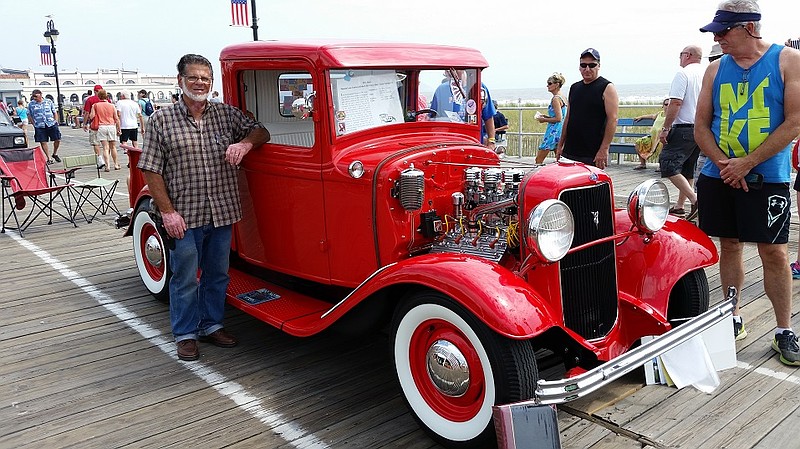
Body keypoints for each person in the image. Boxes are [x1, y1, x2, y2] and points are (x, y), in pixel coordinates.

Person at [138, 54, 270, 361]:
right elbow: (151, 170)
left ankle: (212, 325)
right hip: (183, 214)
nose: (200, 83)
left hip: (221, 210)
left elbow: (261, 130)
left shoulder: (226, 115)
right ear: (180, 80)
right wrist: (168, 213)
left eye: (206, 78)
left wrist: (245, 144)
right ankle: (185, 333)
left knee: (218, 273)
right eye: (194, 77)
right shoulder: (162, 120)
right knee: (185, 276)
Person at [695, 1, 800, 365]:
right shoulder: (714, 69)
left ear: (750, 28)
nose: (718, 38)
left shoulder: (787, 60)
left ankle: (783, 330)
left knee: (774, 252)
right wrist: (727, 166)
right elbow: (701, 126)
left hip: (767, 176)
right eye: (715, 33)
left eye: (724, 31)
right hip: (720, 174)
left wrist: (749, 163)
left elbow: (795, 121)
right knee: (731, 245)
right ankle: (731, 316)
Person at [657, 45, 704, 220]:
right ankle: (680, 205)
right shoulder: (707, 73)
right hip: (700, 127)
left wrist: (666, 128)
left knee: (667, 164)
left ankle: (695, 199)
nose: (680, 59)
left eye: (681, 55)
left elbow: (676, 102)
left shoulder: (683, 74)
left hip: (683, 127)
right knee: (688, 167)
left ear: (688, 55)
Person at [556, 48, 619, 169]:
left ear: (598, 66)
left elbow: (613, 119)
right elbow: (568, 118)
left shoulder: (607, 87)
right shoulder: (574, 87)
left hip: (592, 153)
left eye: (592, 65)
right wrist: (560, 145)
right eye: (583, 65)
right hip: (570, 151)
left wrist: (604, 148)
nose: (587, 69)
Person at [429, 70, 499, 154]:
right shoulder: (441, 90)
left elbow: (488, 116)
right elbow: (433, 117)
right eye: (449, 69)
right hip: (447, 142)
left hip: (473, 141)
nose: (452, 72)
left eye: (456, 68)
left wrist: (491, 141)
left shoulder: (479, 87)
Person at [535, 73, 567, 165]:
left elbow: (558, 118)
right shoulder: (563, 98)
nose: (547, 86)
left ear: (556, 85)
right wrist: (546, 117)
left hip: (554, 131)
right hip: (561, 131)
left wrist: (544, 120)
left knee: (539, 159)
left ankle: (538, 177)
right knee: (560, 159)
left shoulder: (556, 99)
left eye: (550, 83)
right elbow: (561, 116)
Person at [88, 89, 121, 171]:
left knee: (105, 148)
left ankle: (107, 166)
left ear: (98, 96)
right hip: (111, 126)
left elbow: (91, 116)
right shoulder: (112, 105)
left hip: (102, 127)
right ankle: (116, 164)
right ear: (106, 96)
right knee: (113, 147)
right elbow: (116, 119)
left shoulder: (95, 105)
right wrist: (118, 128)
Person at [27, 89, 61, 164]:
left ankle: (54, 153)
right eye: (33, 96)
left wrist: (55, 121)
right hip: (39, 125)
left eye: (36, 96)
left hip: (51, 123)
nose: (34, 98)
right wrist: (34, 124)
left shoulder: (48, 101)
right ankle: (49, 158)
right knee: (43, 141)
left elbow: (54, 112)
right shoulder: (31, 104)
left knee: (57, 139)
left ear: (40, 94)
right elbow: (29, 114)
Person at [633, 99, 668, 170]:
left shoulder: (671, 116)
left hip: (662, 138)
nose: (667, 106)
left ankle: (661, 166)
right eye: (666, 104)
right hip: (652, 138)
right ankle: (642, 164)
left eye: (669, 105)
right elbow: (651, 116)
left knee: (662, 146)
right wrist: (641, 117)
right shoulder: (659, 114)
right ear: (663, 106)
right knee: (639, 142)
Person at [83, 85, 108, 169]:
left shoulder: (90, 100)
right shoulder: (107, 100)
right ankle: (107, 161)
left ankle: (100, 159)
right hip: (106, 124)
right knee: (105, 144)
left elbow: (87, 113)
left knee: (96, 143)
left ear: (95, 91)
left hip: (95, 125)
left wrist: (85, 123)